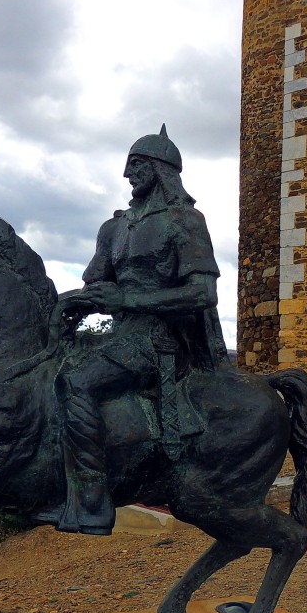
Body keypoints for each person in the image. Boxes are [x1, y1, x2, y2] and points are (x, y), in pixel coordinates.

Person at [53, 125, 228, 535]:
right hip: (118, 334)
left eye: (136, 165)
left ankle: (93, 503)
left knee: (76, 383)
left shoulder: (186, 221)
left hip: (159, 339)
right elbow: (98, 283)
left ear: (159, 169)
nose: (127, 174)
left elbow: (203, 293)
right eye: (127, 165)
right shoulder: (113, 228)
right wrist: (73, 303)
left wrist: (127, 301)